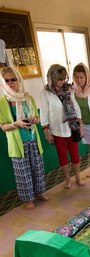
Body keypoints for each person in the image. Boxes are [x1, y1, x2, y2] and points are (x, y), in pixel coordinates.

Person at [0, 67, 49, 210]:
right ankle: (28, 200)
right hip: (17, 144)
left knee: (38, 169)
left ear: (18, 80)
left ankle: (40, 193)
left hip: (33, 140)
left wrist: (35, 119)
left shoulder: (28, 97)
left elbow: (37, 117)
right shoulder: (2, 102)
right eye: (6, 80)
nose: (10, 83)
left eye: (13, 79)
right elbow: (3, 126)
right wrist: (16, 124)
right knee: (23, 173)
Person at [40, 64, 85, 189]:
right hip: (56, 129)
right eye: (60, 79)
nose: (63, 82)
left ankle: (77, 177)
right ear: (52, 78)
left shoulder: (69, 89)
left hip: (72, 128)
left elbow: (75, 107)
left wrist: (81, 125)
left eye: (64, 78)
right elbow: (43, 112)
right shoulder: (45, 92)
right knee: (63, 156)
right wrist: (46, 131)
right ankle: (68, 180)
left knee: (75, 154)